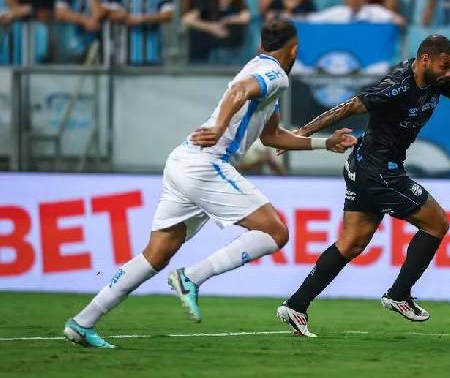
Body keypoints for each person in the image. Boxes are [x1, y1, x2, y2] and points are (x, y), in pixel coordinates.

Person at [63, 19, 357, 349]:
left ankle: (82, 321)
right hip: (206, 164)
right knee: (276, 232)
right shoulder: (275, 73)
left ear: (261, 44)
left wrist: (323, 144)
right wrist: (218, 128)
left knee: (156, 255)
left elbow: (272, 136)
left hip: (183, 162)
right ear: (294, 49)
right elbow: (238, 91)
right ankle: (192, 277)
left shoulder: (260, 68)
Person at [276, 34, 450, 337]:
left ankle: (296, 305)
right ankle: (399, 294)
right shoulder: (396, 85)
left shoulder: (438, 81)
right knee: (436, 223)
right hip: (379, 171)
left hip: (367, 166)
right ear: (426, 59)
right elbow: (349, 107)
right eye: (445, 66)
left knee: (352, 242)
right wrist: (302, 134)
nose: (449, 73)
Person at [184, 0, 251, 64]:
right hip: (210, 51)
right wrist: (212, 27)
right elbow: (187, 19)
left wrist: (226, 20)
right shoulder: (208, 8)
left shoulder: (237, 10)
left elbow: (246, 17)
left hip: (231, 52)